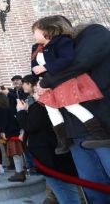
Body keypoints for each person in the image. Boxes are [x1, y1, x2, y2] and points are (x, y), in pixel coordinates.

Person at [39, 20, 110, 204]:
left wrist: (46, 80)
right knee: (94, 191)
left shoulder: (93, 32)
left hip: (102, 125)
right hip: (76, 132)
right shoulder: (54, 49)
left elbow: (79, 62)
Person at [31, 15, 110, 153]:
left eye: (35, 31)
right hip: (73, 128)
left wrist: (45, 80)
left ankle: (99, 133)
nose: (33, 35)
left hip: (96, 113)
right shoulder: (45, 47)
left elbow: (75, 63)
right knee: (87, 171)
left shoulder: (91, 33)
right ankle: (63, 140)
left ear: (49, 30)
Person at [16, 74, 81, 204]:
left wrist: (21, 111)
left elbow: (31, 126)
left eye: (41, 86)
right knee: (60, 189)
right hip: (49, 154)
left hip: (51, 155)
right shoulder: (39, 105)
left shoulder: (42, 105)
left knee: (65, 192)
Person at [0, 92, 25, 182]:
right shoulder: (8, 108)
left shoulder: (0, 109)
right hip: (15, 132)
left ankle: (19, 173)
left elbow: (2, 121)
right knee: (18, 153)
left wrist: (2, 132)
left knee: (15, 153)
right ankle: (21, 171)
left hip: (10, 133)